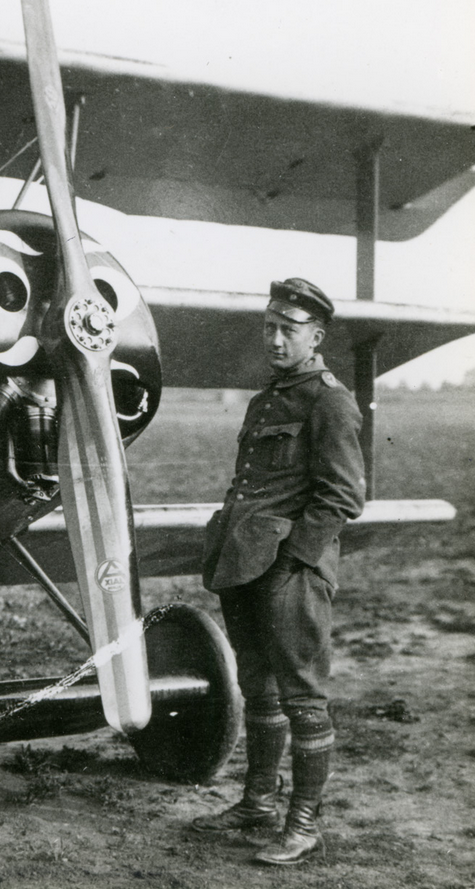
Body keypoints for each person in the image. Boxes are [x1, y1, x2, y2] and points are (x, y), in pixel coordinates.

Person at [193, 277, 366, 866]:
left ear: (315, 337)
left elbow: (343, 496)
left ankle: (303, 823)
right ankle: (258, 804)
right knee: (257, 690)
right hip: (244, 563)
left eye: (287, 330)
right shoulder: (266, 398)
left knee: (303, 700)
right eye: (269, 326)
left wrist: (295, 560)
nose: (274, 338)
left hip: (290, 572)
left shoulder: (329, 400)